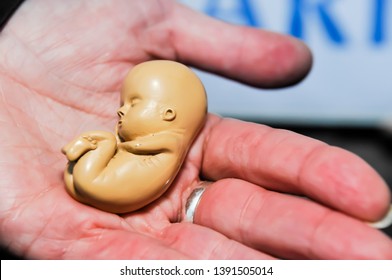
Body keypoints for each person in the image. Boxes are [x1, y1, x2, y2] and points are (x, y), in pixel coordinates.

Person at [0, 0, 390, 259]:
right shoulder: (149, 143)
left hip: (108, 179)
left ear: (169, 116)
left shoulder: (164, 147)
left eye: (133, 105)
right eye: (122, 106)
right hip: (106, 180)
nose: (120, 115)